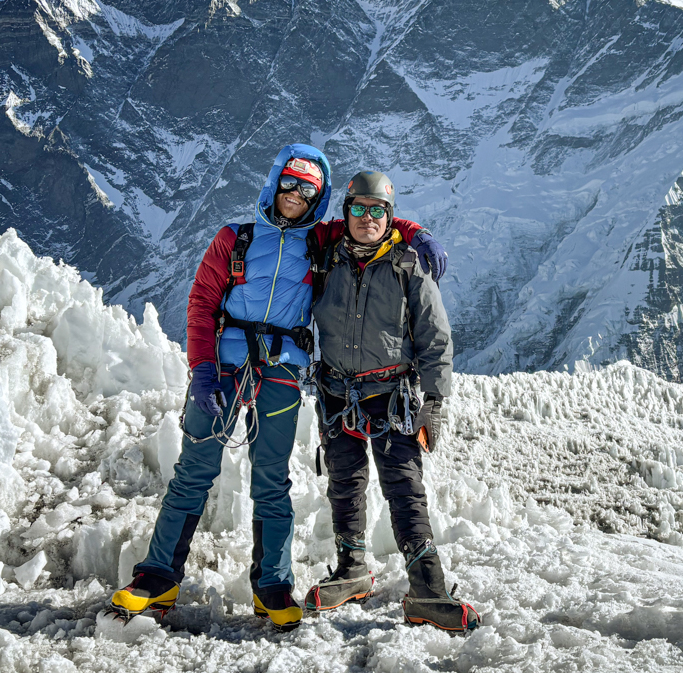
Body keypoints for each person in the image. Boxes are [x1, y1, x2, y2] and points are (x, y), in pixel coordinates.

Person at [107, 146, 446, 631]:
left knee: (271, 478)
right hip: (223, 365)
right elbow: (203, 302)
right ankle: (157, 576)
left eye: (308, 189)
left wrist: (417, 233)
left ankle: (273, 585)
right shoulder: (235, 238)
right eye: (289, 183)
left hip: (281, 369)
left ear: (318, 196)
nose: (295, 195)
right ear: (274, 184)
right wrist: (202, 368)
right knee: (194, 471)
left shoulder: (320, 239)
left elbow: (370, 217)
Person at [305, 171, 480, 632]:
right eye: (359, 209)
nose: (368, 218)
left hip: (392, 397)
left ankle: (428, 587)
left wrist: (434, 401)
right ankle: (352, 570)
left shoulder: (409, 266)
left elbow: (435, 339)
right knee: (345, 482)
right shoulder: (325, 258)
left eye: (377, 210)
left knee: (404, 489)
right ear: (346, 214)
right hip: (335, 392)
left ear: (389, 217)